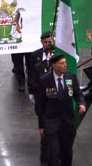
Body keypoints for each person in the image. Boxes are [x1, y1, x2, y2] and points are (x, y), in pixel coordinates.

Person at [36, 54, 86, 166]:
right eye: (62, 63)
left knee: (67, 153)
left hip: (68, 123)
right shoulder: (44, 80)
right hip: (51, 123)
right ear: (54, 65)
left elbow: (78, 94)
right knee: (53, 154)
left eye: (65, 62)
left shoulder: (71, 77)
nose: (65, 65)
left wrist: (81, 104)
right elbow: (40, 105)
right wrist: (41, 126)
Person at [28, 31, 54, 165]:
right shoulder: (35, 56)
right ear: (41, 42)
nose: (48, 44)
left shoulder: (59, 56)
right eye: (46, 42)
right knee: (44, 132)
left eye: (50, 42)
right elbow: (31, 76)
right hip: (42, 100)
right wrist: (33, 92)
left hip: (56, 101)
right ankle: (44, 160)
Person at [11, 0, 31, 92]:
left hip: (29, 30)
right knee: (17, 60)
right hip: (15, 30)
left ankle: (31, 80)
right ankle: (21, 81)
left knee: (31, 60)